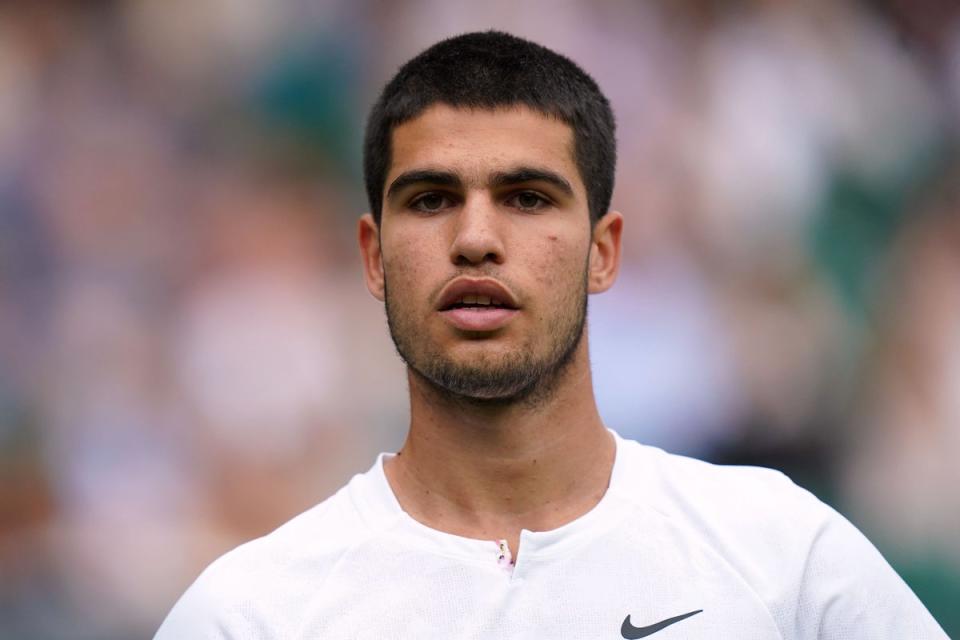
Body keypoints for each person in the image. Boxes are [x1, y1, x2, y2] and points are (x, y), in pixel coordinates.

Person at [155, 31, 947, 639]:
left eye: (527, 198)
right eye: (430, 200)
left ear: (604, 253)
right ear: (373, 256)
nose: (475, 238)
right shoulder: (254, 613)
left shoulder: (783, 554)